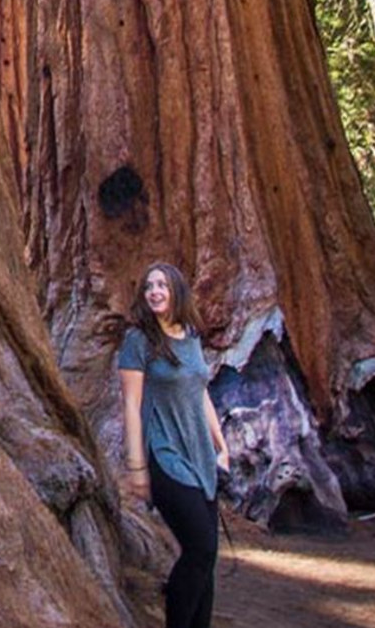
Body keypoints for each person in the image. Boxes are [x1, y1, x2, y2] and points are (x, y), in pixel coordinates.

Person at [118, 261, 230, 628]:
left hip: (199, 454)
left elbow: (201, 393)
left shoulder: (191, 335)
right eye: (149, 286)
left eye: (162, 285)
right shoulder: (138, 342)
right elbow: (132, 405)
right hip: (164, 455)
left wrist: (220, 444)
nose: (154, 291)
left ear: (176, 291)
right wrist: (137, 467)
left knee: (205, 560)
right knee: (201, 549)